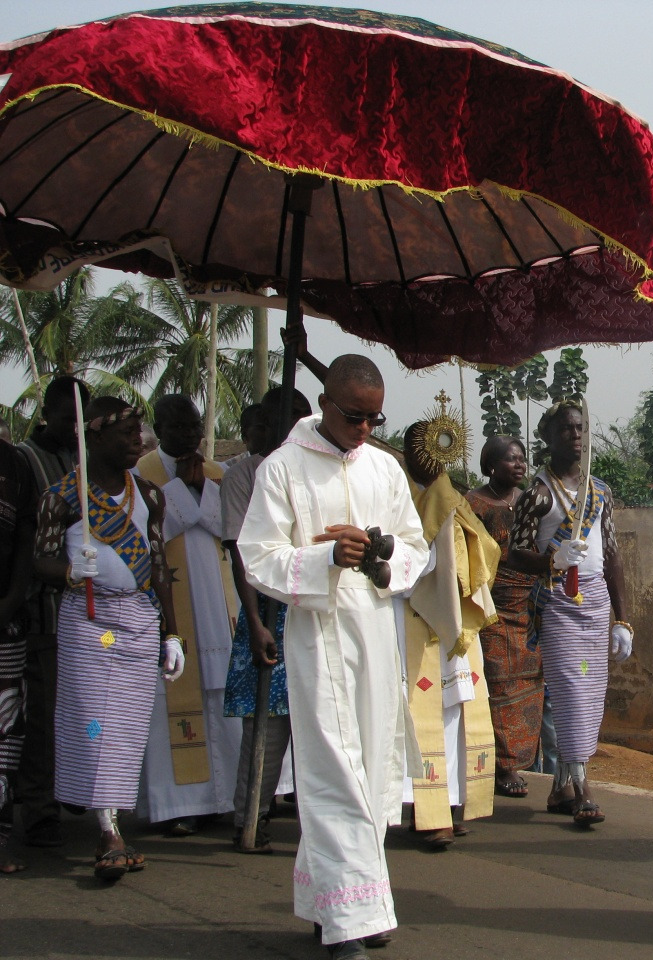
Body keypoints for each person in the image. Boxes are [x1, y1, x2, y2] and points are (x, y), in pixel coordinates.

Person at [238, 355, 431, 960]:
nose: (366, 429)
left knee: (374, 765)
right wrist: (325, 559)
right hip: (317, 631)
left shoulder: (385, 468)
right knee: (331, 770)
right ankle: (350, 924)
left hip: (374, 629)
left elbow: (415, 548)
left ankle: (342, 903)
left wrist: (381, 558)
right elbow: (258, 555)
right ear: (325, 404)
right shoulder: (283, 469)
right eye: (355, 416)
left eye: (376, 418)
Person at [33, 398, 184, 882]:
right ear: (93, 438)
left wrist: (172, 631)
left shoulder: (150, 496)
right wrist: (71, 569)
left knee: (127, 726)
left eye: (139, 433)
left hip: (140, 620)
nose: (137, 443)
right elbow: (40, 560)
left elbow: (159, 566)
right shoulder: (64, 496)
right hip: (89, 624)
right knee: (94, 720)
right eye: (126, 435)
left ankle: (107, 817)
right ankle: (108, 829)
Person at [509, 401, 632, 826]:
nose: (576, 437)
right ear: (549, 437)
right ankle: (582, 787)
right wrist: (551, 559)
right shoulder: (537, 495)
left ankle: (560, 787)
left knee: (588, 691)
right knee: (571, 689)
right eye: (566, 430)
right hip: (558, 603)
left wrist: (623, 618)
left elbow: (612, 554)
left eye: (581, 429)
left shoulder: (600, 492)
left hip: (595, 605)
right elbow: (514, 553)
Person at [135, 395, 240, 836]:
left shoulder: (218, 473)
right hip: (171, 610)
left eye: (195, 426)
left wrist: (200, 487)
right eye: (177, 428)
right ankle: (177, 804)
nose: (189, 436)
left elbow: (228, 529)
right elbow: (149, 534)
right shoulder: (141, 474)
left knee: (220, 700)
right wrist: (182, 488)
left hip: (218, 608)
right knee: (173, 703)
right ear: (158, 427)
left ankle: (225, 798)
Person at [399, 424, 500, 850]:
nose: (426, 457)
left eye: (435, 448)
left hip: (456, 623)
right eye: (417, 448)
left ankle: (454, 802)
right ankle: (425, 814)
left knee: (457, 712)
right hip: (410, 616)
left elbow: (487, 551)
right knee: (418, 714)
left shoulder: (455, 500)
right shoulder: (395, 494)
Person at [220, 387, 312, 853]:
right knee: (266, 725)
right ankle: (249, 817)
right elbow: (242, 554)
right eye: (289, 414)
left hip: (309, 609)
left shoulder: (312, 467)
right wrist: (254, 621)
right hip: (268, 612)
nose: (299, 420)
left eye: (303, 412)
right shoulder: (245, 475)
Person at [15, 375, 91, 850]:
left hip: (83, 613)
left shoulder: (83, 461)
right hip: (42, 607)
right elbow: (23, 538)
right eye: (67, 421)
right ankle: (39, 807)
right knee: (40, 715)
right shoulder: (25, 460)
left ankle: (71, 790)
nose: (74, 431)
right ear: (47, 414)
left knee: (79, 709)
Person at [464, 436, 542, 799]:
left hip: (529, 602)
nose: (519, 465)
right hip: (492, 604)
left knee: (529, 682)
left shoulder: (531, 501)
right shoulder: (473, 504)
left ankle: (524, 759)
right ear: (491, 465)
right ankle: (501, 764)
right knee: (496, 681)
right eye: (511, 460)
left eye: (522, 459)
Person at [0, 435, 37, 874]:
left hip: (6, 617)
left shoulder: (13, 461)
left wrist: (11, 599)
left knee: (5, 730)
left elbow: (26, 533)